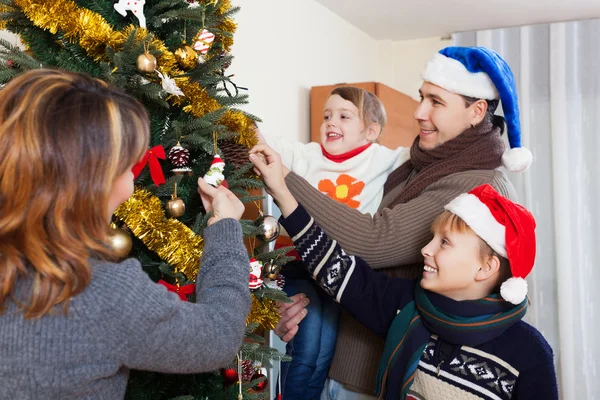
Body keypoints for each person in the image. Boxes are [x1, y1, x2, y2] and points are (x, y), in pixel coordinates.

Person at [252, 46, 533, 398]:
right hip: (333, 359)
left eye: (436, 101)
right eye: (421, 97)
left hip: (369, 380)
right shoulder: (418, 164)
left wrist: (283, 181)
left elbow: (373, 240)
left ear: (476, 111)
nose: (419, 112)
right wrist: (296, 304)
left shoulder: (474, 184)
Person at [0, 69, 251, 399]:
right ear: (89, 182)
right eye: (125, 169)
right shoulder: (102, 293)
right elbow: (218, 335)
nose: (131, 186)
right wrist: (225, 228)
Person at [259, 172, 558, 399]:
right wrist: (282, 192)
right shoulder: (406, 306)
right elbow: (336, 268)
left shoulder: (529, 353)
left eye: (444, 243)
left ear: (486, 267)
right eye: (432, 238)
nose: (426, 250)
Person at [259, 86, 409, 399]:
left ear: (371, 131)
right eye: (326, 115)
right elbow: (261, 142)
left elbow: (426, 154)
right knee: (308, 340)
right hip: (301, 266)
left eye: (343, 116)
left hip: (342, 273)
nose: (330, 122)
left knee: (326, 349)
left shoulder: (383, 159)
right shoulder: (305, 155)